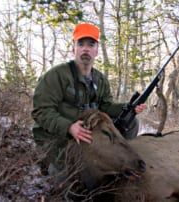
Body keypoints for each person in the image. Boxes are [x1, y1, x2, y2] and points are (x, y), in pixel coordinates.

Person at [31, 23, 146, 175]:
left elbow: (106, 106)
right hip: (59, 136)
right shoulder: (57, 75)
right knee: (65, 181)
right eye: (81, 44)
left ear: (96, 51)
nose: (85, 49)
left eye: (90, 45)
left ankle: (121, 158)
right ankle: (51, 165)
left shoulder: (100, 79)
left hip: (88, 134)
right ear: (74, 49)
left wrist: (129, 107)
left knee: (131, 121)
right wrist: (69, 127)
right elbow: (40, 111)